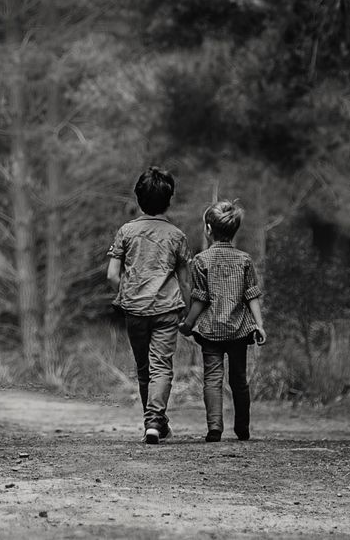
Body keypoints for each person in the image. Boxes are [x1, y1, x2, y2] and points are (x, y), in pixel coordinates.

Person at [107, 166, 190, 444]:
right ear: (169, 200)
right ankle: (155, 421)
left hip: (135, 310)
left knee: (144, 368)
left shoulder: (126, 231)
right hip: (167, 309)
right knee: (162, 367)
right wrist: (188, 312)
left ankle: (153, 422)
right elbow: (184, 280)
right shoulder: (177, 236)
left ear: (138, 199)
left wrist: (124, 295)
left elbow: (111, 275)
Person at [178, 198, 266, 442]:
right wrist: (259, 325)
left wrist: (187, 324)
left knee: (212, 379)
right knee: (239, 380)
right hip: (239, 330)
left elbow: (199, 299)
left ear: (208, 229)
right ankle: (242, 428)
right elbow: (252, 295)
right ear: (234, 229)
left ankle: (214, 428)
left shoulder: (201, 261)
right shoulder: (245, 260)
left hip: (210, 331)